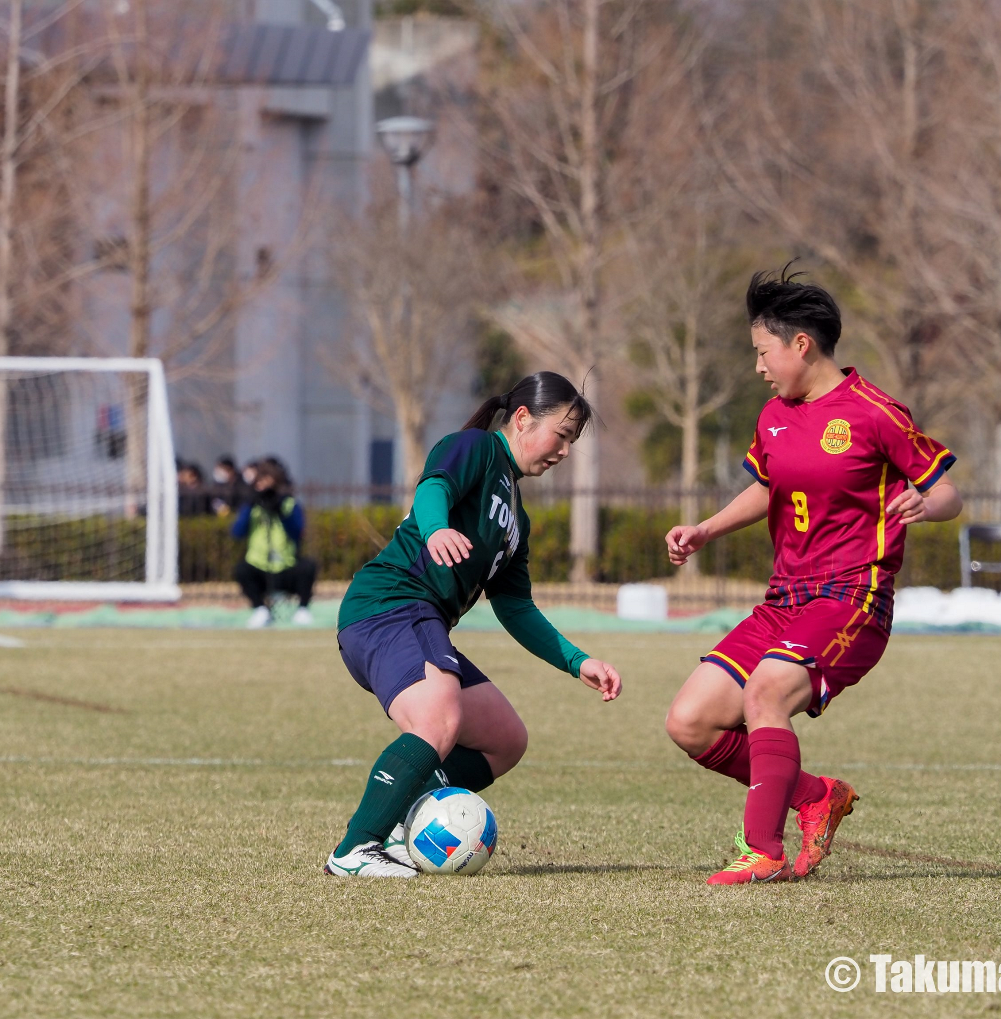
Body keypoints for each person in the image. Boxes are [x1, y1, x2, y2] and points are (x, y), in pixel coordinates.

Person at [663, 267, 961, 885]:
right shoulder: (774, 415)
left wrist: (926, 504)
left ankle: (762, 851)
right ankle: (815, 796)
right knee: (689, 721)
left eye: (762, 352)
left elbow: (948, 492)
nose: (758, 367)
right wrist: (706, 529)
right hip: (784, 601)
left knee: (765, 693)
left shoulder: (876, 412)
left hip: (853, 598)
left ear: (801, 343)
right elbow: (768, 486)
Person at [326, 371, 623, 878]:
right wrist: (437, 526)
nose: (566, 452)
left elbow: (517, 608)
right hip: (391, 604)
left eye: (573, 441)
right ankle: (354, 850)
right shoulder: (476, 449)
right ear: (523, 419)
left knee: (504, 739)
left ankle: (397, 827)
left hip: (420, 621)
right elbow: (433, 487)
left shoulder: (517, 519)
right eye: (563, 435)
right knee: (438, 720)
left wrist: (578, 661)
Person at [230, 459, 318, 628]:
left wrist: (281, 511)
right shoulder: (251, 507)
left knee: (308, 567)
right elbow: (237, 532)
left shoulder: (290, 504)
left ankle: (302, 610)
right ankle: (260, 610)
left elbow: (298, 533)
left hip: (286, 565)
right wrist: (251, 505)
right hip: (259, 565)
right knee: (241, 570)